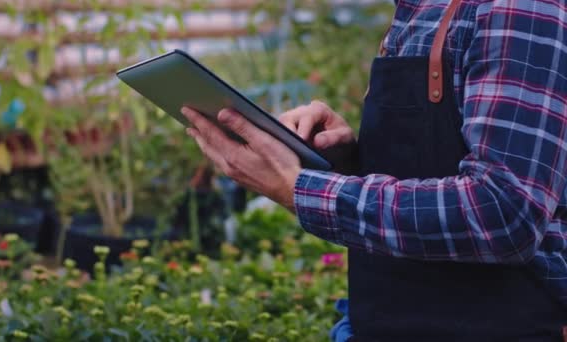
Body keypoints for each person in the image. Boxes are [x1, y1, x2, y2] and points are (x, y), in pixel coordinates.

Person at [182, 0, 567, 340]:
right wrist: (337, 158)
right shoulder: (418, 11)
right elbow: (434, 163)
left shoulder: (515, 7)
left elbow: (503, 210)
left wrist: (300, 189)